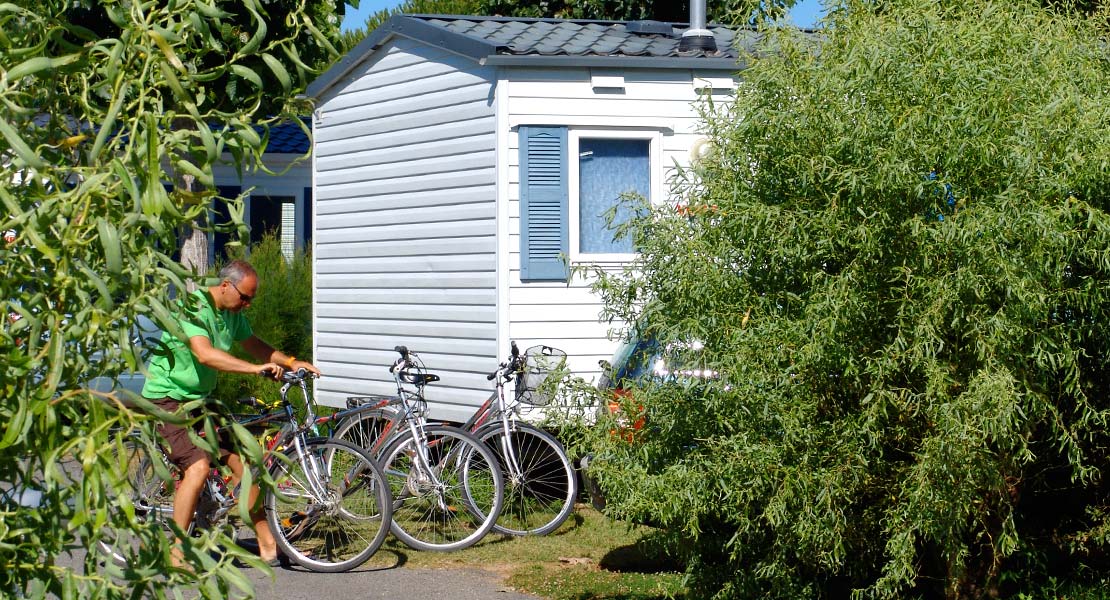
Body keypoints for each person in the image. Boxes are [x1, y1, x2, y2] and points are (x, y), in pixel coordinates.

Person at [140, 259, 320, 567]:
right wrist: (254, 369)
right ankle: (176, 552)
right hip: (166, 401)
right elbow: (205, 354)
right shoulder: (192, 308)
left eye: (251, 299)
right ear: (225, 286)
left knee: (247, 467)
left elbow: (253, 344)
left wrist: (292, 361)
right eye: (245, 297)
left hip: (199, 399)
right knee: (196, 469)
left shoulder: (229, 312)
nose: (247, 304)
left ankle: (267, 543)